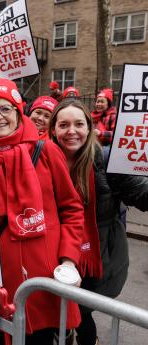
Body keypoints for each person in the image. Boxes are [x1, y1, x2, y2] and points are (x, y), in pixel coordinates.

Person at [0, 79, 84, 345]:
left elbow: (72, 208)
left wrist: (69, 260)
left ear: (18, 111)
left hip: (43, 276)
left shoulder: (47, 151)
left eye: (5, 109)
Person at [48, 98, 148, 345]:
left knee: (81, 312)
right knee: (58, 311)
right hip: (57, 253)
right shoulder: (42, 160)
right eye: (63, 125)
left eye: (79, 124)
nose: (71, 131)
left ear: (90, 128)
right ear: (53, 129)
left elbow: (142, 194)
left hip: (100, 256)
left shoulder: (107, 160)